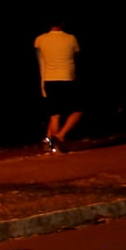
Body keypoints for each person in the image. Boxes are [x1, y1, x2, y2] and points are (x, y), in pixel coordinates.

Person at [34, 22, 81, 152]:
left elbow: (40, 59)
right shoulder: (70, 38)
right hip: (67, 78)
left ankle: (50, 143)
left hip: (49, 79)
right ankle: (59, 136)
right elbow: (76, 54)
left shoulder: (40, 39)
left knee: (55, 114)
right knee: (78, 109)